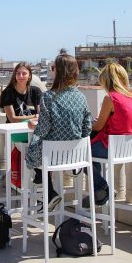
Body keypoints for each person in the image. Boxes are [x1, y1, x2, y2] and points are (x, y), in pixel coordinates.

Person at [25, 53, 95, 212]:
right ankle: (47, 190)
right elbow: (87, 128)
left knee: (32, 148)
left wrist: (33, 127)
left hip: (53, 157)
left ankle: (48, 191)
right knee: (39, 150)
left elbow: (43, 129)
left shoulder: (48, 97)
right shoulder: (81, 97)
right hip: (75, 156)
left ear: (58, 71)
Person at [89, 61, 132, 207]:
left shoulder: (110, 98)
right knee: (92, 154)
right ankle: (98, 194)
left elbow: (98, 126)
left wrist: (88, 124)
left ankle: (102, 188)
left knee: (82, 154)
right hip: (130, 149)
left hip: (112, 149)